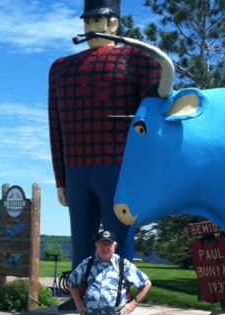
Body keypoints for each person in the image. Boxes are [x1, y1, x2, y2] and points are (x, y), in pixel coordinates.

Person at [49, 0, 162, 269]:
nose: (90, 27)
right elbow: (56, 126)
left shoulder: (138, 59)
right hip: (76, 167)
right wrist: (60, 179)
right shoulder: (61, 68)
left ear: (113, 23)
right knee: (80, 237)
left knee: (119, 236)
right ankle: (79, 290)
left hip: (118, 166)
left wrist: (146, 173)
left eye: (96, 21)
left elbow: (151, 119)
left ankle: (119, 291)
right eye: (87, 22)